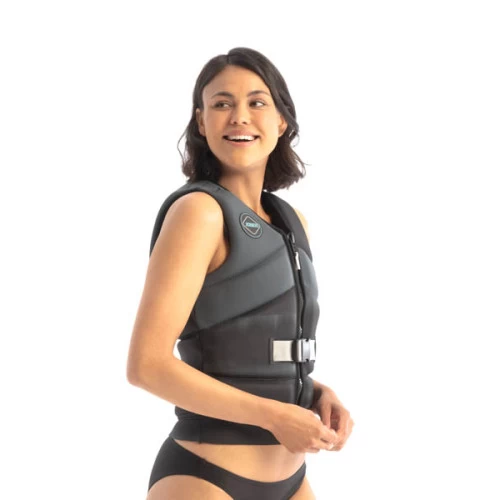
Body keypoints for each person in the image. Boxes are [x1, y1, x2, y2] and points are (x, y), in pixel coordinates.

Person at [126, 47, 354, 500]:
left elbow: (242, 355)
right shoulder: (199, 212)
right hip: (206, 478)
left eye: (256, 102)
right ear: (201, 121)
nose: (239, 116)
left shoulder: (291, 222)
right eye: (221, 103)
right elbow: (146, 366)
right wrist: (275, 416)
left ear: (281, 120)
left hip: (292, 480)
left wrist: (314, 392)